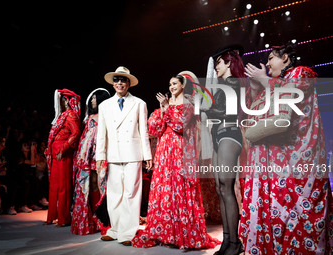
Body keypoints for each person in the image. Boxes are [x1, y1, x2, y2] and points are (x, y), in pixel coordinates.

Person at [239, 43, 333, 254]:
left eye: (272, 57)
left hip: (298, 157)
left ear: (287, 59)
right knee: (283, 212)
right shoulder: (278, 83)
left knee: (299, 211)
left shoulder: (300, 73)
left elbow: (282, 115)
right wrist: (259, 86)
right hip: (281, 158)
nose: (268, 63)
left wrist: (264, 81)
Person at [132, 71, 220, 249]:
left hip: (180, 150)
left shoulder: (189, 103)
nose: (172, 87)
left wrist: (167, 109)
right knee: (165, 188)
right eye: (170, 84)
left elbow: (180, 126)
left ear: (183, 86)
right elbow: (154, 129)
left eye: (175, 84)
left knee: (180, 187)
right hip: (165, 151)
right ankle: (166, 233)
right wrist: (164, 108)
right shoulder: (165, 105)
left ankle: (183, 234)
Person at [96, 66, 152, 246]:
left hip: (133, 153)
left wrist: (147, 154)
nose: (119, 83)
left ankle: (128, 233)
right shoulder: (104, 105)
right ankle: (115, 230)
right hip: (113, 154)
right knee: (114, 194)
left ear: (129, 83)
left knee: (131, 193)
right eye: (117, 80)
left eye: (123, 80)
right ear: (113, 83)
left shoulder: (139, 103)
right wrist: (100, 156)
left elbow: (144, 131)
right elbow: (101, 134)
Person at [203, 45, 247, 255]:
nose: (216, 67)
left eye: (219, 62)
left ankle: (234, 242)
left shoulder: (235, 83)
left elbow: (224, 110)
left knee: (227, 187)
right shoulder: (221, 85)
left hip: (230, 134)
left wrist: (204, 106)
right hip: (217, 136)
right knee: (220, 188)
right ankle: (227, 241)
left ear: (229, 62)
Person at [71, 88, 110, 235]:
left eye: (94, 98)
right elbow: (84, 139)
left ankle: (103, 219)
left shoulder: (107, 116)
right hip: (87, 156)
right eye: (92, 98)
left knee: (102, 185)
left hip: (101, 154)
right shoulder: (89, 118)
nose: (92, 101)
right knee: (89, 184)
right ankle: (91, 220)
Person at [44, 89, 80, 227]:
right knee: (54, 186)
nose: (58, 102)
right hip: (55, 153)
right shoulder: (62, 115)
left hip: (62, 154)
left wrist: (64, 148)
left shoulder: (70, 115)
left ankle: (63, 218)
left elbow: (75, 133)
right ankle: (52, 216)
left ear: (65, 101)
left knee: (63, 186)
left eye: (61, 100)